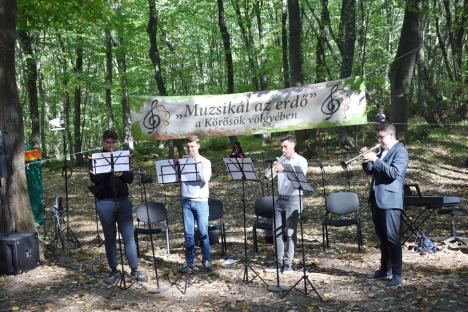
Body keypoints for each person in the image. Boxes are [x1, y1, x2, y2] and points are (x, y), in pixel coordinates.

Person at [89, 129, 147, 285]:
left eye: (113, 142)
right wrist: (109, 170)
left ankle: (134, 269)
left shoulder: (123, 156)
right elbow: (94, 179)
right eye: (108, 142)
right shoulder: (95, 158)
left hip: (123, 201)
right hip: (104, 202)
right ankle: (114, 270)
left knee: (129, 237)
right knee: (110, 239)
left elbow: (130, 178)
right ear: (103, 142)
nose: (111, 145)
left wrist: (121, 173)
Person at [361, 122, 409, 287]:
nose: (379, 140)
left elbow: (393, 174)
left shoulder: (400, 151)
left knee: (392, 238)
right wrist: (366, 159)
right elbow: (371, 171)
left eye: (381, 137)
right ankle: (384, 269)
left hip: (390, 200)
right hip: (376, 199)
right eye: (378, 137)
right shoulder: (381, 151)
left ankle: (397, 274)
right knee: (382, 238)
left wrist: (375, 159)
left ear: (391, 135)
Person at [266, 134, 308, 274]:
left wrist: (284, 169)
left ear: (293, 146)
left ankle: (288, 263)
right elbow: (269, 177)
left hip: (294, 199)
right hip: (280, 198)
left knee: (290, 233)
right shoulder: (281, 159)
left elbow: (298, 180)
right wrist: (273, 168)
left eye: (285, 147)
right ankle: (278, 262)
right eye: (282, 147)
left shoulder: (301, 161)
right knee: (276, 232)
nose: (283, 150)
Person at [180, 135, 213, 273]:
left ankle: (206, 260)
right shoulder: (183, 161)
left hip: (200, 201)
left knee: (203, 232)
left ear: (198, 146)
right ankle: (190, 262)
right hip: (186, 200)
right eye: (188, 147)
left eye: (192, 146)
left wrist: (196, 166)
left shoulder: (205, 162)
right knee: (188, 233)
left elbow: (205, 179)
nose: (190, 149)